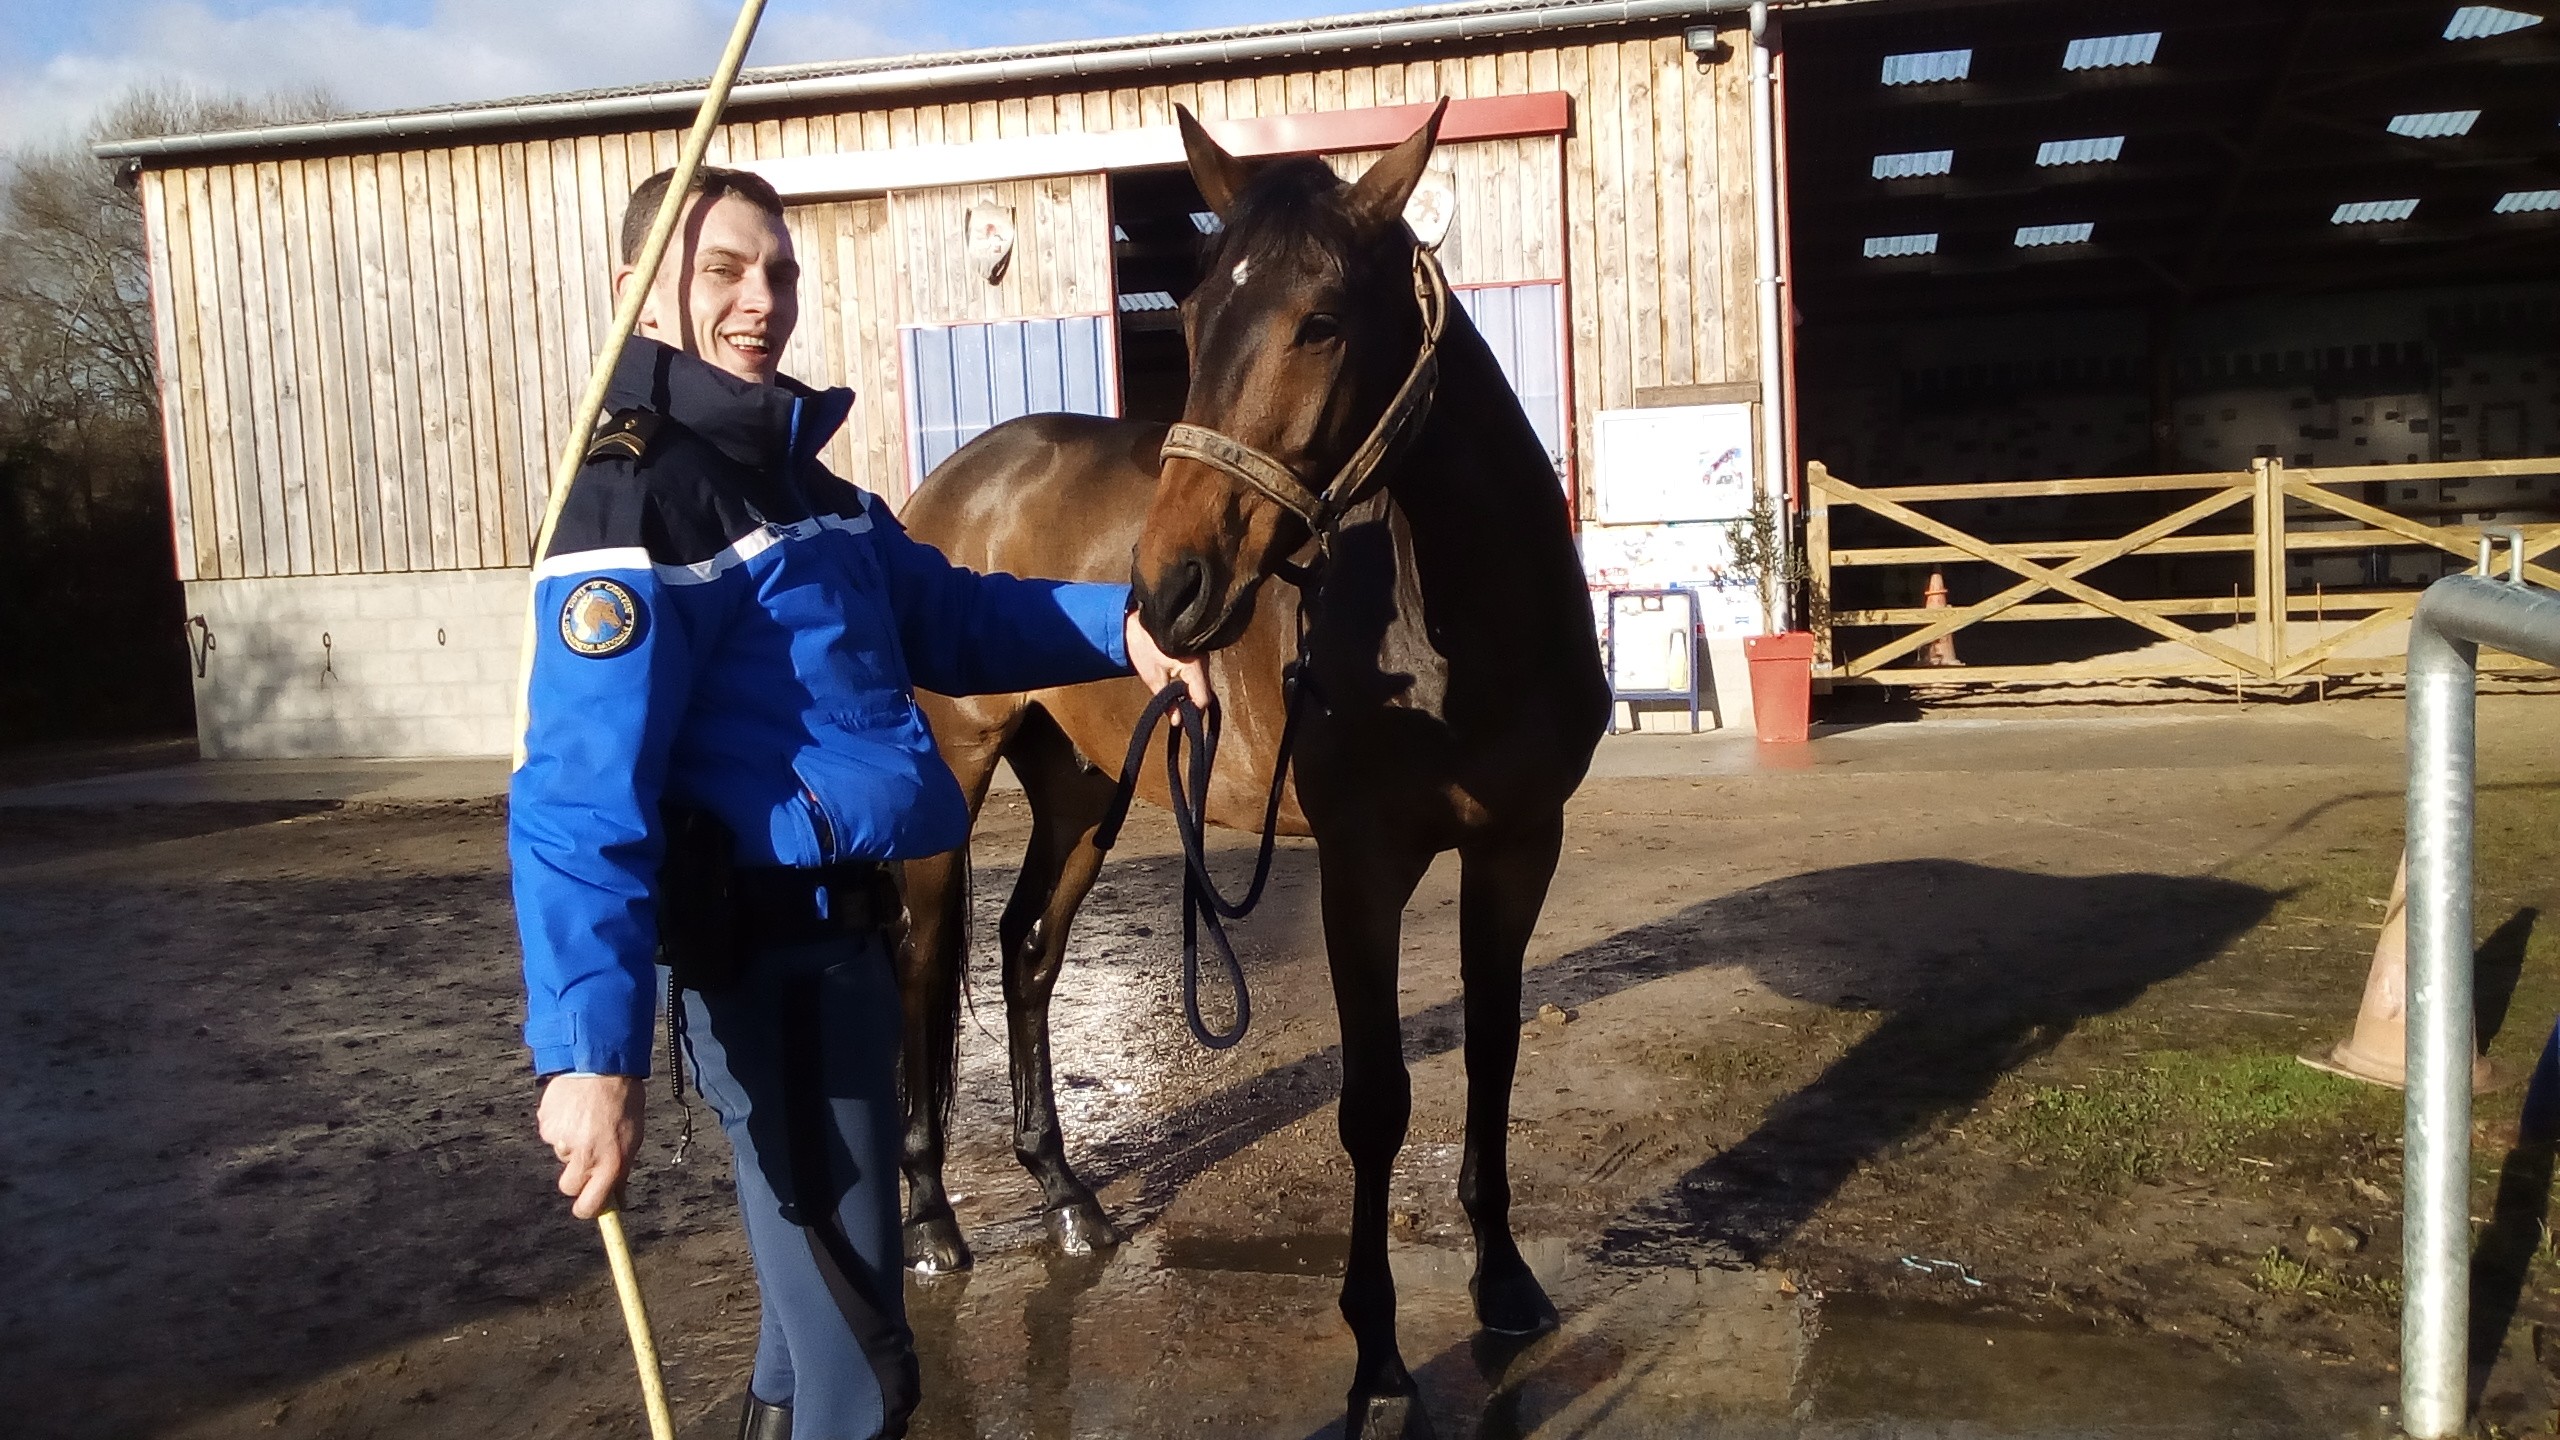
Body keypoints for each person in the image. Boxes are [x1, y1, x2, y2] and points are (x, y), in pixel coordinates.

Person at [513, 165, 1208, 1440]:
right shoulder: (634, 499)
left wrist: (1123, 624)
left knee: (799, 1357)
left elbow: (949, 609)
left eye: (775, 272)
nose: (759, 300)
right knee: (865, 1369)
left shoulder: (813, 491)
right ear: (638, 298)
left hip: (852, 956)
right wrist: (587, 1054)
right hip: (759, 969)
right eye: (721, 271)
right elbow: (574, 795)